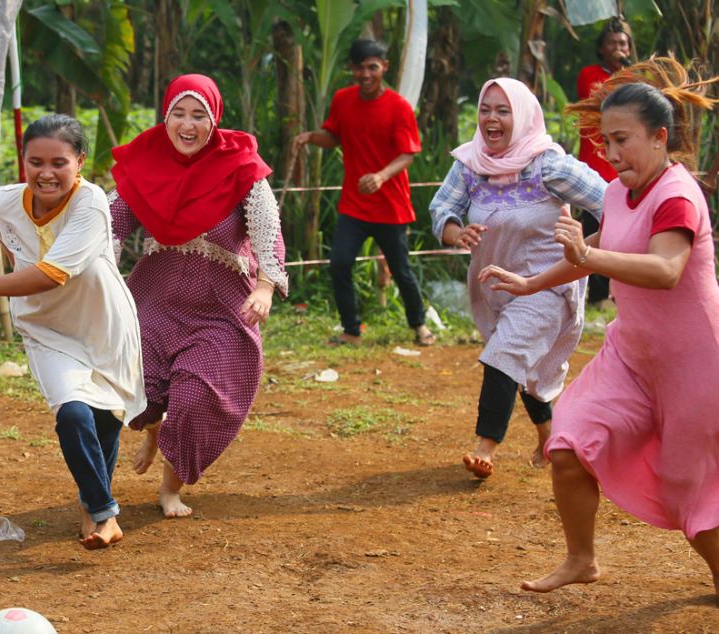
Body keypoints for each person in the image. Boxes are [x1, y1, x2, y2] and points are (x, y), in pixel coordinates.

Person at [480, 58, 719, 596]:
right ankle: (581, 559)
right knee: (567, 444)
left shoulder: (677, 196)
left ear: (660, 137)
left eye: (621, 140)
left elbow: (665, 270)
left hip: (696, 365)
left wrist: (589, 253)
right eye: (605, 142)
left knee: (693, 495)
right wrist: (530, 283)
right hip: (633, 357)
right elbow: (594, 257)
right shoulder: (615, 192)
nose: (610, 155)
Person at [0, 115, 144, 550]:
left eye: (59, 162)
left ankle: (92, 506)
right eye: (35, 162)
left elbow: (51, 272)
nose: (46, 173)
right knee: (72, 414)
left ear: (80, 162)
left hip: (102, 321)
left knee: (104, 420)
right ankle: (105, 514)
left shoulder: (92, 203)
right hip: (47, 328)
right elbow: (22, 249)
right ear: (23, 162)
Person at [110, 74, 288, 517]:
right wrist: (95, 275)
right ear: (165, 116)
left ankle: (170, 488)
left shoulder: (242, 165)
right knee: (139, 397)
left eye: (199, 115)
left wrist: (265, 285)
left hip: (221, 309)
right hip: (155, 300)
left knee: (194, 400)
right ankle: (154, 430)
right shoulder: (143, 163)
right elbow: (108, 225)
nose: (188, 125)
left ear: (214, 120)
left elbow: (268, 229)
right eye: (179, 114)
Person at [429, 77, 606, 479]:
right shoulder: (470, 165)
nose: (492, 119)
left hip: (547, 284)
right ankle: (550, 437)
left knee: (505, 353)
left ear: (523, 116)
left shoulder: (548, 165)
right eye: (486, 109)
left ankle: (485, 446)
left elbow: (613, 200)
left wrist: (591, 246)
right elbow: (442, 208)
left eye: (503, 110)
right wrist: (457, 232)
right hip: (494, 286)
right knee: (523, 367)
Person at [295, 38, 434, 347]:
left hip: (391, 206)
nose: (366, 74)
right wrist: (310, 138)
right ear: (352, 70)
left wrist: (381, 176)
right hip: (354, 205)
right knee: (340, 263)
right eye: (360, 68)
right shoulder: (343, 100)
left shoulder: (399, 107)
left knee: (401, 269)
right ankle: (351, 330)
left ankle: (419, 324)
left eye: (373, 67)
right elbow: (334, 137)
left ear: (384, 67)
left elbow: (408, 154)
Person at [576, 17, 634, 307]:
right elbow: (604, 101)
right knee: (595, 230)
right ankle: (597, 295)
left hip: (626, 169)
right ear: (601, 49)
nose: (618, 48)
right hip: (595, 167)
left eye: (623, 43)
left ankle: (620, 290)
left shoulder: (634, 76)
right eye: (612, 43)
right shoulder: (590, 74)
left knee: (625, 230)